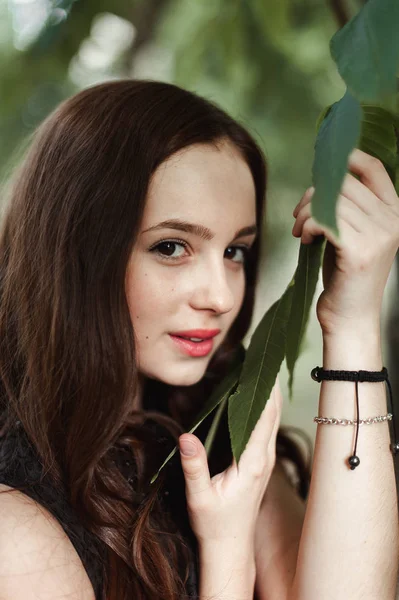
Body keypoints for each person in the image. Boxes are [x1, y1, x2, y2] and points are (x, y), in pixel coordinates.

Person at [0, 79, 397, 600]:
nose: (221, 296)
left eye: (235, 252)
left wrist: (352, 325)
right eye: (171, 246)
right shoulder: (17, 533)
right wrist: (228, 555)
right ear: (75, 253)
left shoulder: (212, 439)